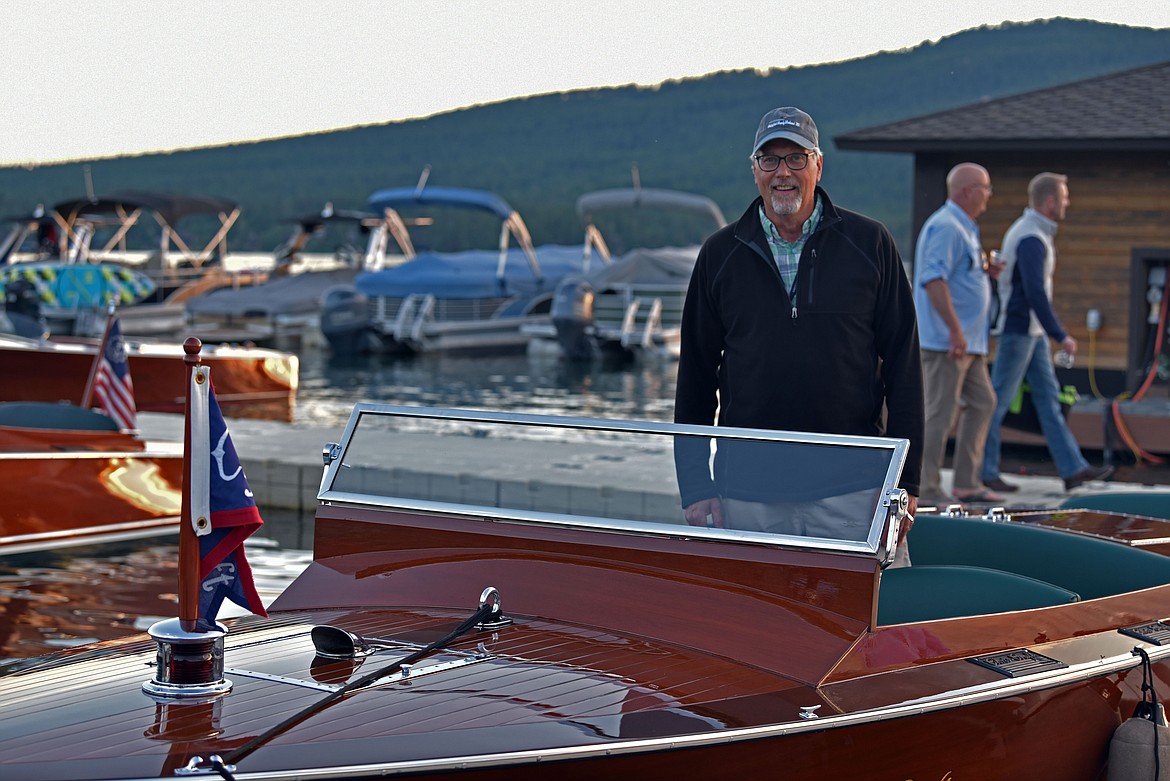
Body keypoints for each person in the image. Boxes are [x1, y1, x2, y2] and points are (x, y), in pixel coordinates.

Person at [673, 106, 923, 551]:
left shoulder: (871, 244)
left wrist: (904, 485)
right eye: (769, 160)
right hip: (747, 495)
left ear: (818, 165)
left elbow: (904, 368)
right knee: (748, 619)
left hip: (856, 492)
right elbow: (695, 376)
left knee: (872, 618)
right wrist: (695, 485)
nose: (782, 173)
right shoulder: (718, 254)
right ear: (754, 171)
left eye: (796, 159)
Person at [981, 172, 1114, 492]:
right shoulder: (1031, 238)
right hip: (1021, 330)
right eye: (1065, 197)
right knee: (996, 401)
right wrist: (1060, 334)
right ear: (1050, 201)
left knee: (1048, 399)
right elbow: (1034, 292)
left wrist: (1048, 332)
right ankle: (984, 470)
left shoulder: (1035, 234)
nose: (1068, 203)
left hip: (1033, 332)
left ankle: (1072, 468)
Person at [914, 163, 1002, 505]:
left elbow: (958, 273)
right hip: (947, 343)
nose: (989, 195)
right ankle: (928, 488)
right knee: (939, 412)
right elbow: (933, 280)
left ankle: (966, 481)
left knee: (983, 402)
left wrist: (985, 270)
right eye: (986, 188)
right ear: (967, 190)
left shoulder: (965, 228)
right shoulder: (947, 227)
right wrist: (954, 331)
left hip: (970, 343)